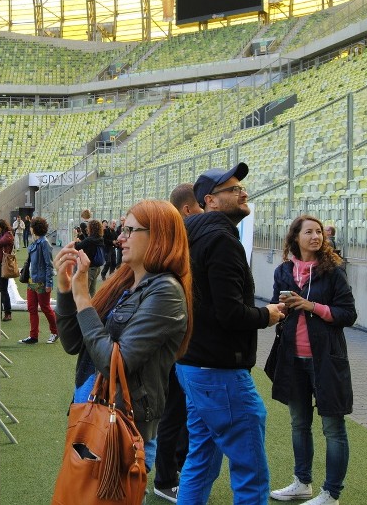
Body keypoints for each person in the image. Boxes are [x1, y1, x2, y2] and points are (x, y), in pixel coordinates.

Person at [54, 199, 193, 471]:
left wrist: (82, 296)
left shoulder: (166, 292)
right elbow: (73, 344)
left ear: (158, 237)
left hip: (123, 427)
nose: (120, 238)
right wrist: (65, 288)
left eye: (130, 231)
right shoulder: (124, 282)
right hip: (91, 412)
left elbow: (114, 363)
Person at [175, 162, 286, 505]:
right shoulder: (220, 240)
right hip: (219, 369)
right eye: (234, 189)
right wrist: (267, 315)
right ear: (210, 200)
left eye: (241, 187)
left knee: (201, 459)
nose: (243, 193)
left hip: (192, 364)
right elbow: (230, 313)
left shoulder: (190, 236)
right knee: (250, 471)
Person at [269, 215, 357, 505]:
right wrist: (280, 309)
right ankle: (302, 483)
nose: (316, 237)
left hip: (326, 361)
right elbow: (277, 310)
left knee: (333, 427)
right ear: (296, 237)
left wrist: (312, 306)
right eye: (309, 232)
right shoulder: (284, 271)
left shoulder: (334, 272)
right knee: (298, 423)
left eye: (319, 232)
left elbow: (348, 314)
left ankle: (331, 493)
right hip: (293, 359)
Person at [152, 183, 204, 503]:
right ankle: (165, 477)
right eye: (200, 206)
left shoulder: (176, 243)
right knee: (174, 411)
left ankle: (177, 470)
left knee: (181, 410)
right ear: (187, 210)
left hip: (180, 341)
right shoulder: (182, 243)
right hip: (177, 343)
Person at [18, 217, 59, 345]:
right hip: (32, 280)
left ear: (35, 228)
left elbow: (49, 264)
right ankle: (33, 336)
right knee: (31, 308)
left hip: (41, 281)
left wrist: (49, 283)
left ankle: (55, 331)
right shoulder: (35, 243)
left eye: (31, 226)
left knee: (46, 308)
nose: (30, 229)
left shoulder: (44, 243)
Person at [74, 219, 104, 296]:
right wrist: (81, 234)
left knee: (84, 291)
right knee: (92, 291)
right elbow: (86, 241)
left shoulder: (90, 240)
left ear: (91, 228)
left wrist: (76, 240)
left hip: (89, 269)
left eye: (88, 227)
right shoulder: (100, 238)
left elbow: (78, 246)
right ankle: (94, 305)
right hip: (96, 268)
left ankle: (83, 307)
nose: (87, 229)